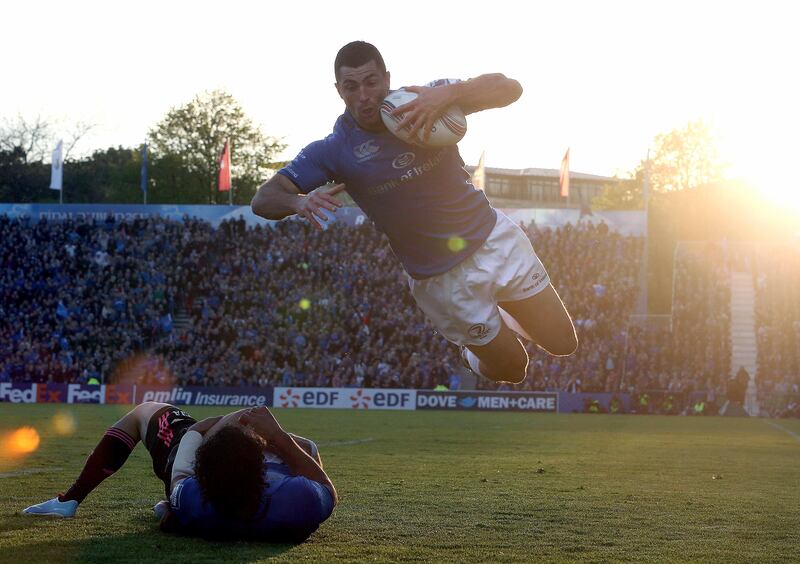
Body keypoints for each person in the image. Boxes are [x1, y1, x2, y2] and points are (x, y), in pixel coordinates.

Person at [251, 40, 578, 384]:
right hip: (441, 282)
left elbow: (511, 89)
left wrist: (451, 94)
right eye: (352, 86)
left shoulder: (427, 100)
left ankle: (506, 315)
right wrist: (299, 203)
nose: (364, 94)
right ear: (339, 91)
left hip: (494, 241)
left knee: (563, 343)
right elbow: (264, 199)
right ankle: (472, 353)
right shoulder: (334, 150)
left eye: (372, 81)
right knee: (513, 368)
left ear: (387, 78)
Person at [22, 402, 336, 543]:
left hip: (186, 457)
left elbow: (192, 439)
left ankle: (70, 500)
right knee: (307, 445)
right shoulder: (295, 501)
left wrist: (232, 419)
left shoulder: (195, 499)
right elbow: (322, 481)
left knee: (143, 412)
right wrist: (278, 437)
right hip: (219, 476)